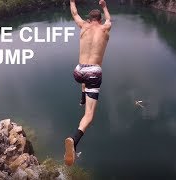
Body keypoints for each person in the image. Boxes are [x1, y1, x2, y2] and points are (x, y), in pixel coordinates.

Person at [64, 0, 111, 166]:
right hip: (93, 73)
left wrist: (72, 1)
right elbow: (109, 20)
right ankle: (73, 140)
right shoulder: (105, 28)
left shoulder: (83, 25)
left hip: (78, 71)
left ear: (89, 19)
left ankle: (83, 96)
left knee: (84, 78)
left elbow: (74, 13)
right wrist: (104, 6)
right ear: (99, 19)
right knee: (89, 115)